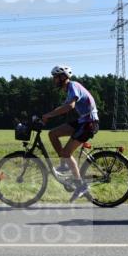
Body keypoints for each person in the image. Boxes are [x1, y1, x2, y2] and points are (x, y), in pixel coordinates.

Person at [40, 65, 99, 202]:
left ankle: (81, 186)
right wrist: (46, 116)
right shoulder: (69, 89)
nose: (53, 80)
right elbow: (62, 108)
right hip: (82, 120)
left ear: (63, 77)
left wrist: (48, 115)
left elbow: (69, 107)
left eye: (55, 77)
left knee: (67, 153)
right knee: (53, 134)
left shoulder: (73, 85)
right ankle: (65, 164)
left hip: (89, 122)